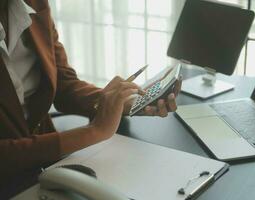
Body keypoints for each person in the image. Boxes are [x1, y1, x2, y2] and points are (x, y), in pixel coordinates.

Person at [0, 0, 181, 197]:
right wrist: (95, 131)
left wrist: (116, 102)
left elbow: (63, 84)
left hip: (48, 163)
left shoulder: (35, 3)